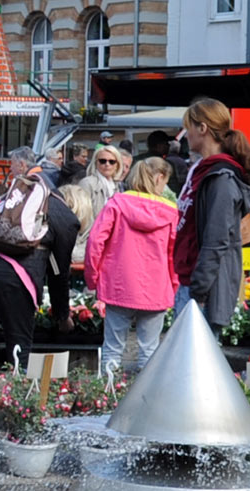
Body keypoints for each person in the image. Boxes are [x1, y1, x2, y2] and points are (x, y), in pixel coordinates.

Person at [0, 158, 77, 374]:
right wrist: (62, 316)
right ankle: (16, 401)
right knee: (18, 347)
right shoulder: (65, 216)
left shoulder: (11, 197)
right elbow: (59, 272)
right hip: (15, 273)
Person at [86, 157, 181, 375]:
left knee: (112, 349)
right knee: (150, 350)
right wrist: (172, 286)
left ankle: (107, 399)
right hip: (156, 289)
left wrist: (94, 279)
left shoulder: (116, 204)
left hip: (118, 285)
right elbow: (173, 254)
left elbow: (95, 242)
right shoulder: (171, 212)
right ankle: (147, 404)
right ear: (159, 178)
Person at [175, 98, 250, 330]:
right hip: (189, 282)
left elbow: (217, 239)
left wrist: (199, 289)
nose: (186, 134)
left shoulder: (221, 177)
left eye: (188, 127)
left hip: (202, 290)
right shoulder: (203, 171)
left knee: (192, 365)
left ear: (202, 128)